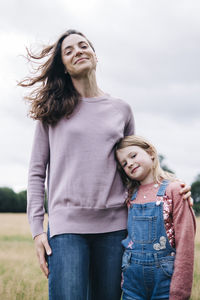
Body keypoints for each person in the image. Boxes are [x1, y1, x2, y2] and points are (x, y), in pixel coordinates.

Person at [19, 29, 192, 300]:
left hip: (115, 230)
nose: (78, 51)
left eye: (83, 45)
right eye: (69, 50)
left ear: (95, 56)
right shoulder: (51, 111)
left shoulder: (121, 109)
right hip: (66, 228)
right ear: (63, 67)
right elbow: (36, 172)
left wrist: (173, 190)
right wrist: (37, 230)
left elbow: (137, 168)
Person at [116, 135, 196, 300]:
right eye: (124, 163)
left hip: (165, 284)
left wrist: (180, 292)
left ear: (150, 153)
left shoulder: (174, 191)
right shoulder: (128, 196)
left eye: (133, 155)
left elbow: (185, 245)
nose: (129, 163)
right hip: (132, 285)